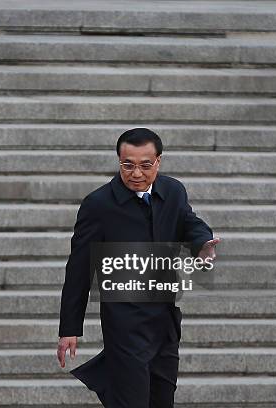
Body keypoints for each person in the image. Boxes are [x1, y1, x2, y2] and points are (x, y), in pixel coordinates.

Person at [57, 128, 220, 408]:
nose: (136, 173)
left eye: (145, 165)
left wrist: (202, 241)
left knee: (161, 400)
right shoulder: (99, 205)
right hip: (125, 325)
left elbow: (188, 221)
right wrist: (70, 328)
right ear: (119, 160)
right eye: (127, 164)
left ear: (158, 161)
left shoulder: (173, 191)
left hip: (165, 322)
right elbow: (79, 270)